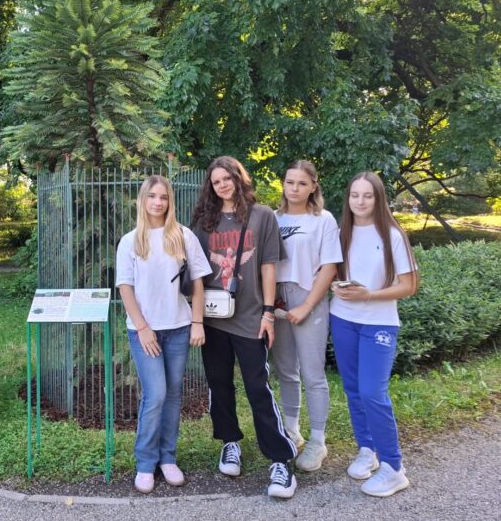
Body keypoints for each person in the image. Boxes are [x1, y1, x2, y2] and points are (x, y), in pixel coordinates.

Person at [190, 156, 298, 499]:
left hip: (251, 317)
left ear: (239, 179)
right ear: (210, 186)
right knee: (218, 384)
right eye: (216, 181)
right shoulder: (203, 222)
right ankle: (230, 442)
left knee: (257, 388)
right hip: (213, 318)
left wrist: (268, 313)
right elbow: (195, 272)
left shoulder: (262, 215)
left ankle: (280, 459)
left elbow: (268, 267)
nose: (222, 185)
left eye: (227, 178)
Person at [116, 175, 211, 494]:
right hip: (144, 331)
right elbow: (125, 288)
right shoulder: (130, 241)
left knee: (172, 395)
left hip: (179, 328)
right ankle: (145, 462)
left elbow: (198, 282)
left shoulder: (183, 236)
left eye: (164, 197)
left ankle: (167, 458)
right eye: (152, 196)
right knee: (155, 394)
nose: (158, 202)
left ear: (170, 201)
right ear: (142, 200)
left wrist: (197, 322)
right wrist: (143, 328)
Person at [330, 171, 418, 497]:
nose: (360, 201)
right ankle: (367, 450)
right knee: (354, 389)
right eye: (355, 195)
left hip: (379, 323)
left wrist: (368, 295)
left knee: (372, 392)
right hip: (342, 318)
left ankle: (394, 467)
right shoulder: (341, 233)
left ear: (378, 198)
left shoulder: (392, 234)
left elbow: (409, 285)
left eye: (367, 195)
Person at [273, 160, 342, 472]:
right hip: (278, 299)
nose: (295, 188)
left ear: (313, 186)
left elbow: (329, 267)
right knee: (286, 370)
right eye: (290, 182)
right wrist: (269, 304)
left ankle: (317, 441)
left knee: (313, 374)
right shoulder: (273, 218)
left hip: (308, 297)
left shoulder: (323, 220)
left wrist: (306, 305)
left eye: (302, 183)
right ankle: (292, 430)